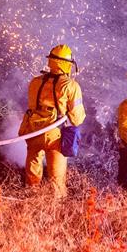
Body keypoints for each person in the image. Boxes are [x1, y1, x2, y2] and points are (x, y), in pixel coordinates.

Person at [18, 44, 86, 197]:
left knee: (32, 175)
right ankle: (56, 210)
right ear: (68, 64)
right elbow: (77, 117)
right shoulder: (70, 86)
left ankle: (30, 201)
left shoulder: (35, 81)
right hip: (54, 134)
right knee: (57, 180)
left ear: (51, 61)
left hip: (32, 131)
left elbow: (32, 106)